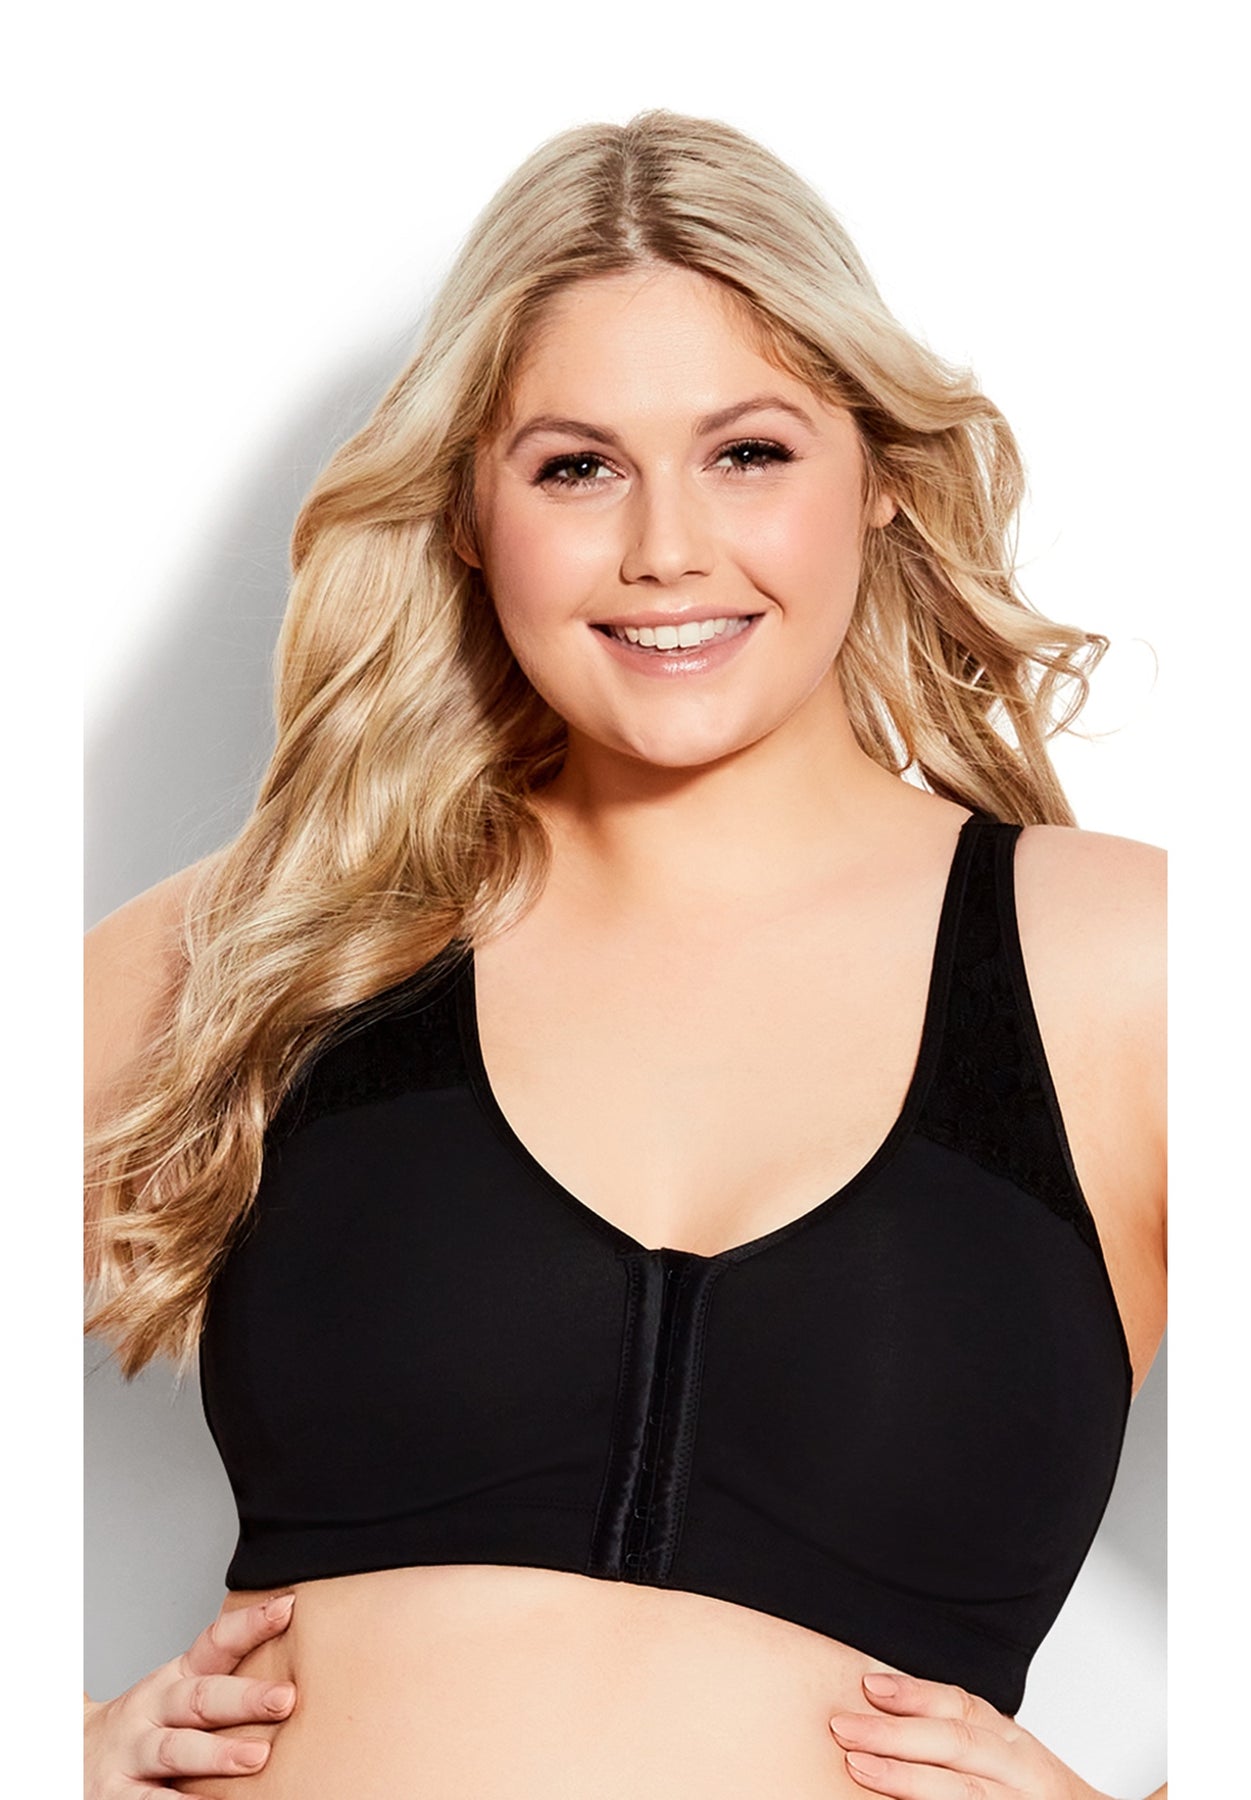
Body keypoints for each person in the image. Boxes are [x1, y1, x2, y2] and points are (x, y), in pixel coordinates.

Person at [84, 110, 1166, 1799]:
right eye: (576, 467)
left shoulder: (1126, 966)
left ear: (880, 475)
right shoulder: (280, 939)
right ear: (467, 511)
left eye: (750, 453)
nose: (666, 547)